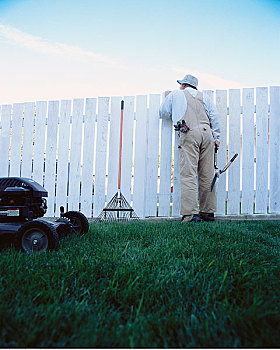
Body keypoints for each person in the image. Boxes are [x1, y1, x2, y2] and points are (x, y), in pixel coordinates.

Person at [159, 74, 221, 222]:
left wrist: (168, 98)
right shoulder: (204, 97)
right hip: (207, 134)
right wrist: (217, 137)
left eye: (181, 84)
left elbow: (163, 113)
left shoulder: (176, 94)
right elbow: (214, 117)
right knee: (207, 174)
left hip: (189, 132)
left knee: (189, 173)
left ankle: (191, 214)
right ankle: (208, 212)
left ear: (184, 85)